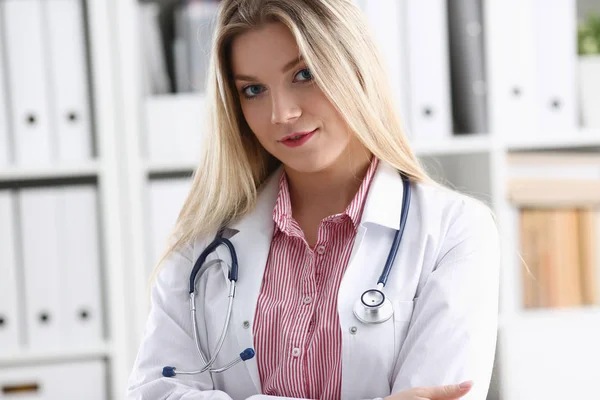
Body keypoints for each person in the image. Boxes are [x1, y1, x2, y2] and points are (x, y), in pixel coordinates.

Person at [126, 0, 500, 399]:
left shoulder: (455, 231)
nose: (281, 113)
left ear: (356, 69)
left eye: (304, 74)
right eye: (253, 90)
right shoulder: (203, 246)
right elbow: (154, 392)